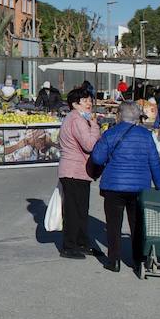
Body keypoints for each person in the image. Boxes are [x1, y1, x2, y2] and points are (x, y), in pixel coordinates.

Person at [89, 101, 160, 272]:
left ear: (119, 115)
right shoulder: (146, 135)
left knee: (113, 225)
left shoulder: (110, 133)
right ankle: (138, 261)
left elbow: (97, 158)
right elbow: (155, 162)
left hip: (113, 186)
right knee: (138, 225)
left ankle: (114, 261)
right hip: (139, 188)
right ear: (138, 117)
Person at [56, 87, 98, 259]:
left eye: (90, 100)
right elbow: (89, 144)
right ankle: (69, 246)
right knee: (74, 211)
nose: (89, 103)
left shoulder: (73, 118)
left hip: (76, 170)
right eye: (85, 101)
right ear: (75, 104)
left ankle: (81, 242)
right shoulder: (77, 120)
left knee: (80, 209)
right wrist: (94, 125)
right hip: (74, 170)